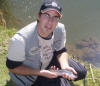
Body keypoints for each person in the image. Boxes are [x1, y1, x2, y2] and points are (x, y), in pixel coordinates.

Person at [6, 0, 87, 86]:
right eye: (46, 15)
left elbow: (61, 51)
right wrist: (41, 73)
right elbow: (13, 67)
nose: (50, 21)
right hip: (31, 77)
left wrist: (64, 66)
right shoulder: (20, 40)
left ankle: (57, 75)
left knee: (81, 72)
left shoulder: (60, 29)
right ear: (39, 16)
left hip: (48, 61)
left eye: (55, 17)